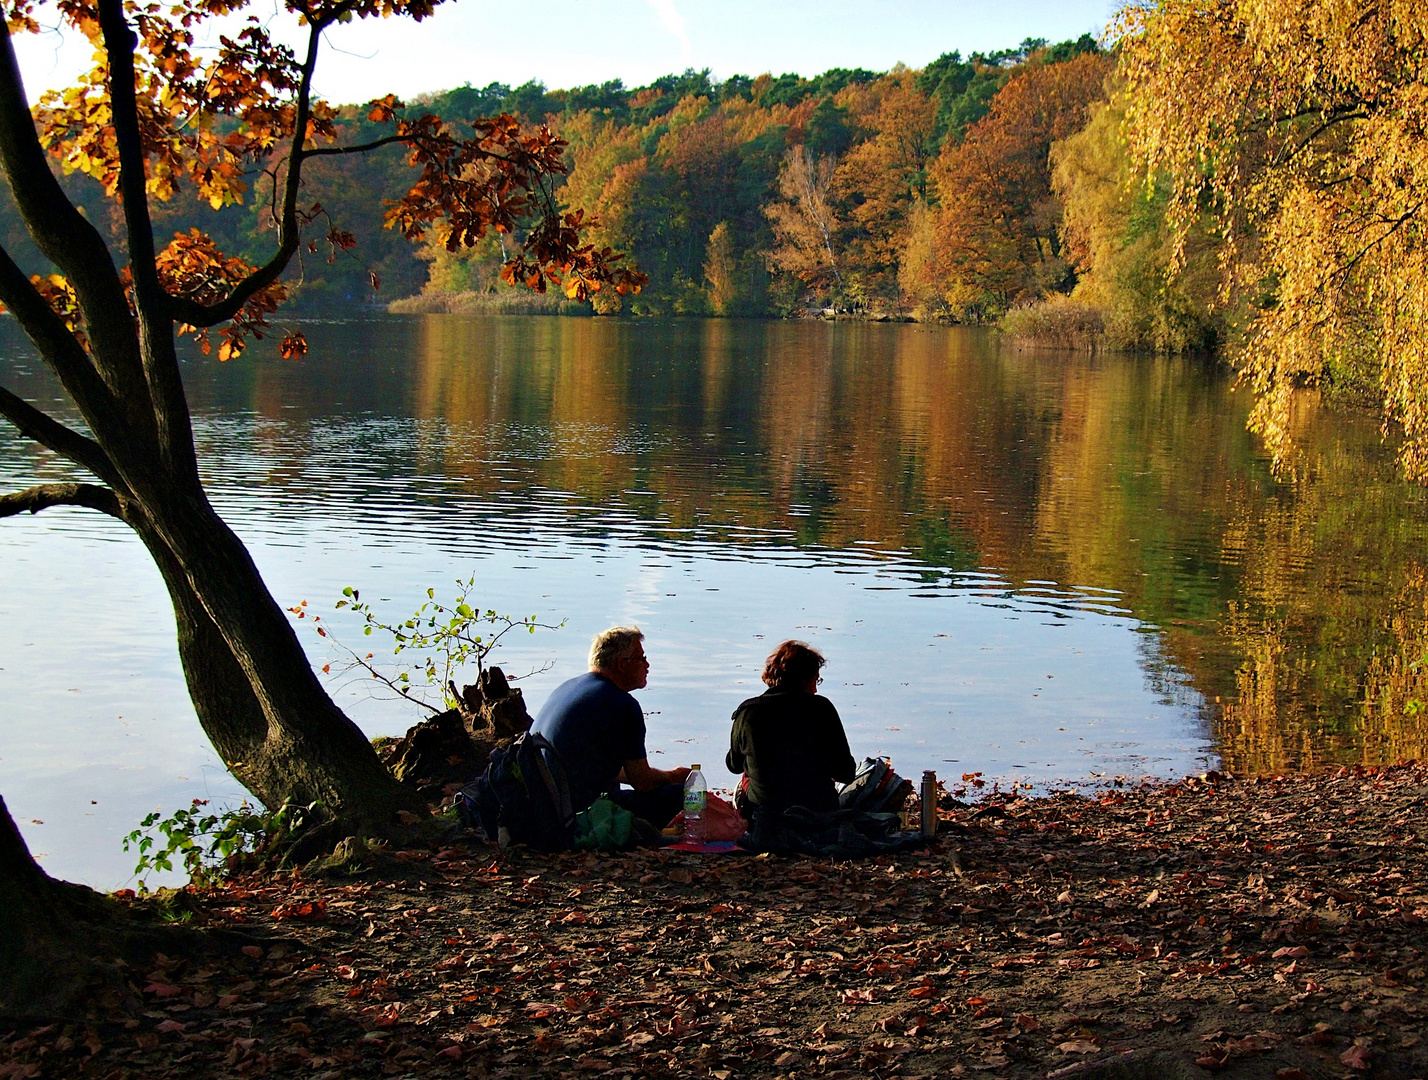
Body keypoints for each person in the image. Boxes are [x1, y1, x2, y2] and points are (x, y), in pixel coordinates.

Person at [532, 625, 690, 827]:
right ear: (622, 665)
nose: (647, 665)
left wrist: (662, 775)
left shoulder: (568, 687)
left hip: (541, 805)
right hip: (572, 814)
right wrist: (673, 777)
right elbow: (643, 783)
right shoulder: (622, 704)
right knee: (681, 795)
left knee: (616, 787)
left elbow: (598, 766)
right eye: (641, 658)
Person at [726, 640, 856, 819]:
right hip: (819, 816)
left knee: (746, 778)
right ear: (804, 679)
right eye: (815, 679)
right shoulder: (822, 709)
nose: (816, 688)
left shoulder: (748, 713)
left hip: (764, 820)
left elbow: (733, 765)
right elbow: (847, 773)